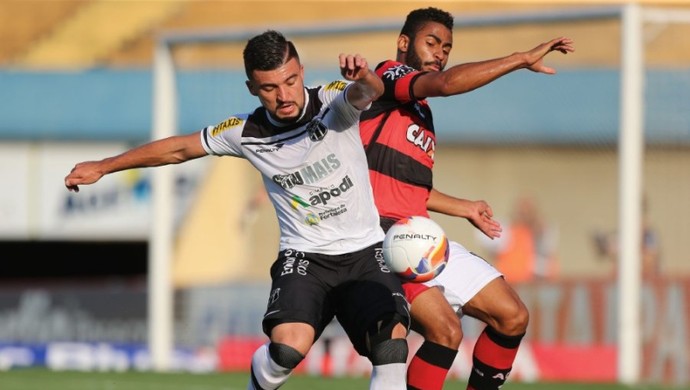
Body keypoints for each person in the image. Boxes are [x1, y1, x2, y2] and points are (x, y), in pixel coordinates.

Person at [64, 30, 410, 390]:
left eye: (291, 81)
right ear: (251, 88)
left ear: (302, 72)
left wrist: (365, 75)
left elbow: (370, 91)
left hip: (366, 252)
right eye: (269, 87)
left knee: (390, 344)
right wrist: (105, 165)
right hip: (306, 257)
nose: (284, 95)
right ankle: (261, 373)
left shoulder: (332, 102)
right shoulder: (244, 131)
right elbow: (179, 149)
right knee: (288, 351)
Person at [359, 8, 574, 390]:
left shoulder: (420, 112)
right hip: (382, 238)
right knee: (446, 330)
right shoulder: (387, 78)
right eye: (431, 43)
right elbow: (443, 83)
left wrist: (465, 208)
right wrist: (520, 58)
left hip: (419, 234)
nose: (440, 52)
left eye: (447, 47)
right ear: (404, 43)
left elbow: (411, 189)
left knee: (512, 315)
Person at [479, 196, 560, 283]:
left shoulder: (541, 231)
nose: (525, 216)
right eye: (522, 212)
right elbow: (488, 244)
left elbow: (545, 261)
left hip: (534, 283)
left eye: (528, 212)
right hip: (510, 281)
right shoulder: (506, 230)